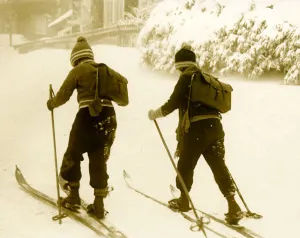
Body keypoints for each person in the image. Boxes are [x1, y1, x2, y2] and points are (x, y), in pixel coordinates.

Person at [148, 46, 244, 225]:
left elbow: (172, 103)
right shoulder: (206, 80)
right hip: (215, 129)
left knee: (185, 164)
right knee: (219, 166)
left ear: (180, 65)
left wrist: (155, 113)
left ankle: (184, 200)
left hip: (196, 130)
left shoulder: (187, 78)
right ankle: (233, 204)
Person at [47, 36, 126, 219]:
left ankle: (73, 196)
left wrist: (51, 103)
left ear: (75, 58)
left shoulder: (78, 70)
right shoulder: (106, 71)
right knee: (98, 157)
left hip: (87, 116)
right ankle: (98, 204)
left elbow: (63, 95)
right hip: (108, 118)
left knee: (73, 153)